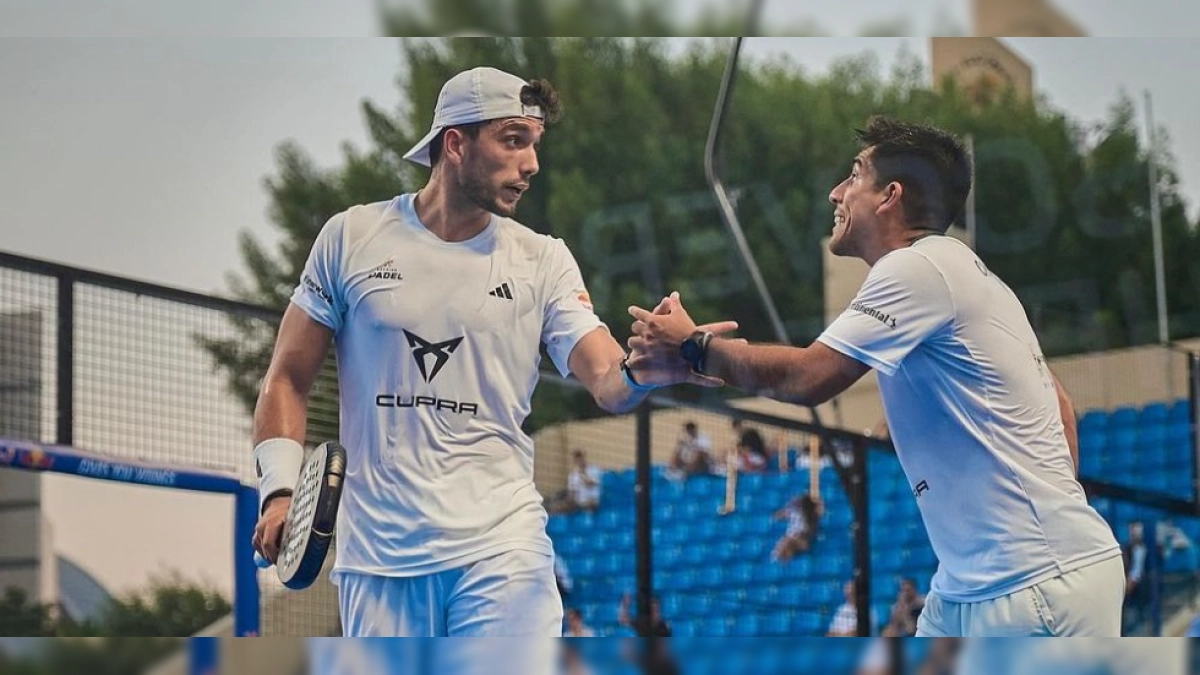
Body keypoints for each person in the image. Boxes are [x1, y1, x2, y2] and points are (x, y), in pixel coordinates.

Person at [250, 67, 736, 638]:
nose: (530, 163)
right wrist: (279, 492)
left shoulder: (544, 259)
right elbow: (286, 379)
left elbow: (605, 375)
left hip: (502, 545)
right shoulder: (351, 237)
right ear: (455, 144)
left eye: (534, 144)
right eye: (513, 140)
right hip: (377, 560)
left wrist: (643, 372)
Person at [627, 116, 1122, 637]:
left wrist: (696, 348)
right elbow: (1060, 405)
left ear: (890, 195)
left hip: (1035, 585)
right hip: (974, 587)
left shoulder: (915, 269)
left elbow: (808, 378)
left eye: (854, 175)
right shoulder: (960, 273)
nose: (835, 192)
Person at [771, 493, 823, 562]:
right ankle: (780, 557)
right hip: (793, 537)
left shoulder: (810, 518)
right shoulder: (794, 512)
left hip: (801, 540)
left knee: (788, 541)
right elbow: (779, 515)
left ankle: (783, 556)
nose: (797, 503)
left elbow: (808, 534)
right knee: (786, 540)